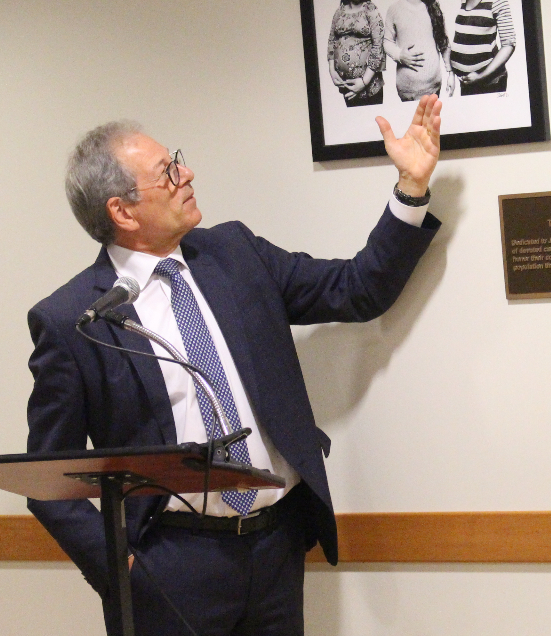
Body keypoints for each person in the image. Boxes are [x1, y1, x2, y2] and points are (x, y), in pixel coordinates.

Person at [27, 95, 443, 636]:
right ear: (122, 212)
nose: (187, 173)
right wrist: (121, 568)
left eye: (176, 159)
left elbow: (356, 290)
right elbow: (46, 475)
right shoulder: (74, 319)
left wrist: (410, 188)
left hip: (275, 546)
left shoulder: (235, 254)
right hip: (169, 563)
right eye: (167, 171)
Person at [383, 0, 452, 101]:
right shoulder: (394, 10)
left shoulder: (433, 6)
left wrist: (450, 73)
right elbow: (386, 42)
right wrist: (399, 55)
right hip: (407, 92)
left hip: (433, 88)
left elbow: (443, 42)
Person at [448, 0, 516, 95]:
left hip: (491, 84)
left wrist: (480, 76)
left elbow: (509, 45)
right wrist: (452, 74)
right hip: (467, 85)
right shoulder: (464, 0)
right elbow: (460, 41)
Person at [327, 0, 385, 107]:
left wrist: (364, 82)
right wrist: (332, 70)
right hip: (347, 87)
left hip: (370, 89)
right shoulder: (339, 12)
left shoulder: (371, 10)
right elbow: (331, 41)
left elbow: (379, 47)